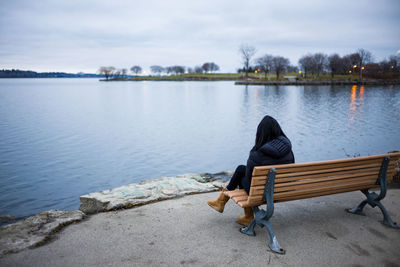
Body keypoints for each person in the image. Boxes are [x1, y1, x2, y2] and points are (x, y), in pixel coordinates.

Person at [207, 115, 295, 226]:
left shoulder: (258, 153)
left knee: (241, 177)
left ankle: (245, 215)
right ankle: (221, 202)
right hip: (282, 190)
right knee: (240, 169)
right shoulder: (288, 149)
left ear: (261, 133)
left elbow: (249, 177)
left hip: (262, 194)